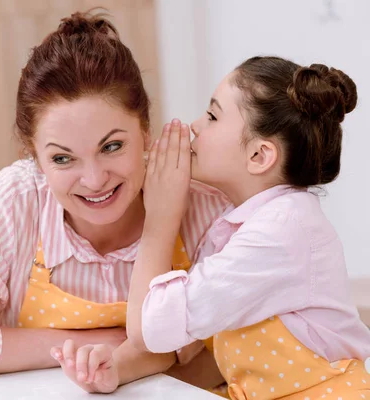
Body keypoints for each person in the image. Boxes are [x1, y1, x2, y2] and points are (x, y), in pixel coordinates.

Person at [0, 10, 227, 393]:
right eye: (62, 158)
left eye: (112, 146)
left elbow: (237, 352)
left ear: (146, 131)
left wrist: (135, 366)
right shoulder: (15, 204)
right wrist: (103, 344)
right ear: (34, 157)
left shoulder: (204, 207)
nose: (94, 179)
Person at [122, 56, 370, 399]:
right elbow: (213, 355)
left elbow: (147, 328)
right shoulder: (248, 222)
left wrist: (160, 219)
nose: (195, 125)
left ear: (258, 156)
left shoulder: (279, 233)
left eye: (211, 116)